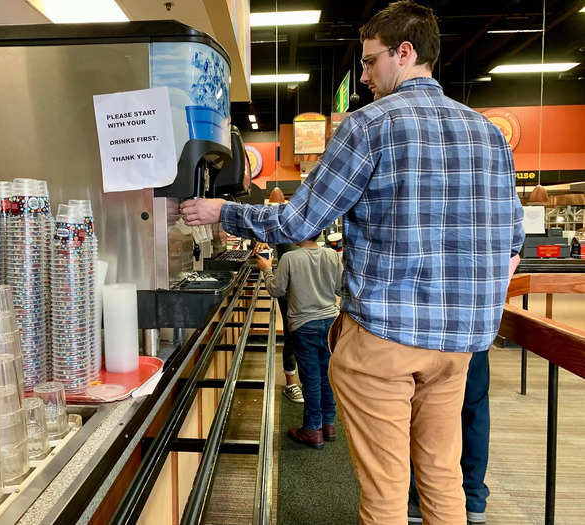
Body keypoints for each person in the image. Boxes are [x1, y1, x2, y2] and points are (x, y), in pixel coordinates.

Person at [180, 1, 524, 523]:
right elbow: (513, 241)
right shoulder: (487, 134)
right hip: (460, 346)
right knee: (442, 477)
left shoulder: (369, 125)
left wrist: (225, 211)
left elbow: (298, 224)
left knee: (385, 493)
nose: (363, 75)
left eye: (369, 61)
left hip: (386, 339)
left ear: (404, 53)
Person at [254, 235, 343, 448]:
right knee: (327, 375)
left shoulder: (290, 258)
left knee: (311, 378)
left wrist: (266, 268)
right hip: (330, 322)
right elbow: (341, 288)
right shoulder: (331, 255)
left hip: (304, 325)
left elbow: (276, 290)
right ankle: (328, 424)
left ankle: (313, 429)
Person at [408, 351, 491, 525]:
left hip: (437, 339)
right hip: (476, 332)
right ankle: (474, 499)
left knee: (426, 401)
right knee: (475, 405)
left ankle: (418, 496)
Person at [254, 241, 305, 404]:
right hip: (287, 283)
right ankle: (291, 384)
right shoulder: (278, 224)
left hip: (308, 280)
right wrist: (262, 243)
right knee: (292, 333)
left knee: (308, 335)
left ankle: (307, 382)